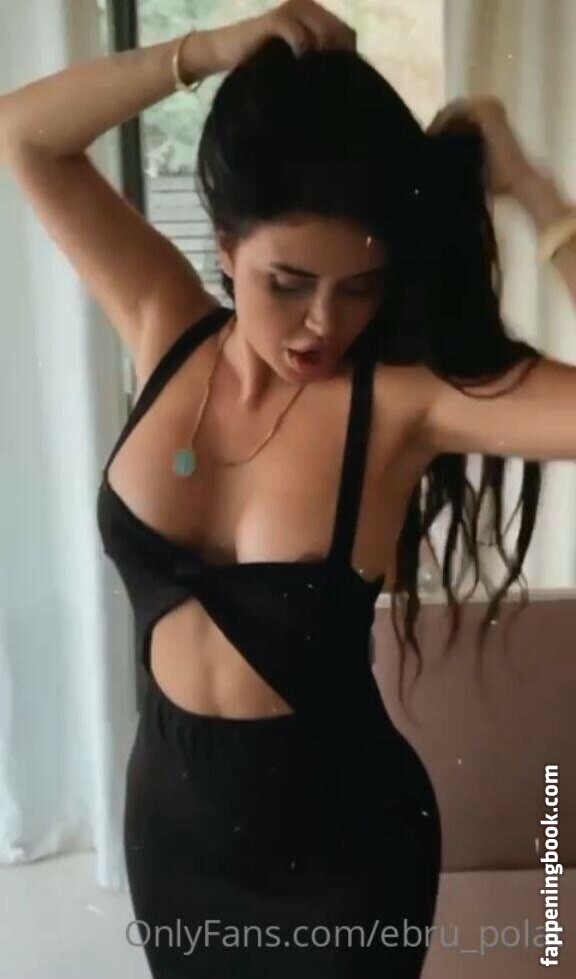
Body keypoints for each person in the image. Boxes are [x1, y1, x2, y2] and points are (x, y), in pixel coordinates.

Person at [1, 1, 576, 975]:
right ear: (226, 247)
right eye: (288, 281)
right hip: (172, 839)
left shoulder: (401, 407)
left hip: (343, 862)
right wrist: (212, 49)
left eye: (360, 287)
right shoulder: (162, 322)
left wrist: (529, 187)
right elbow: (23, 132)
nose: (322, 325)